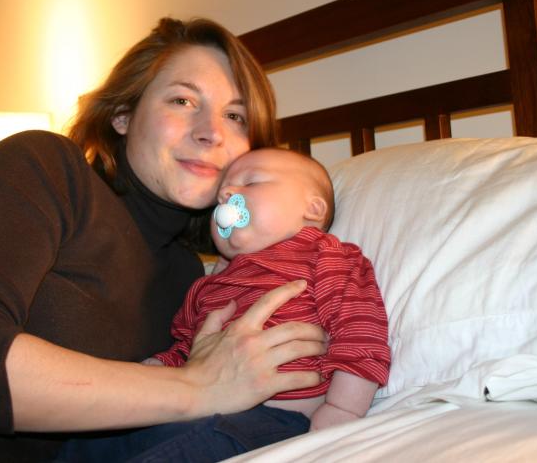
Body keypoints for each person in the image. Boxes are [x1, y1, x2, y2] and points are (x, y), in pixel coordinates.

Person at [0, 18, 328, 462]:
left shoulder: (189, 280)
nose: (211, 133)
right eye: (182, 101)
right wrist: (195, 386)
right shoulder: (47, 166)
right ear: (122, 115)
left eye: (235, 117)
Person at [58, 148, 390, 462]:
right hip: (196, 404)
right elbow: (189, 348)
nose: (227, 194)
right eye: (221, 194)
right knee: (95, 441)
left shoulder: (327, 257)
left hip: (275, 418)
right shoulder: (207, 285)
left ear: (313, 209)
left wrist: (343, 409)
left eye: (251, 182)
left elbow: (359, 330)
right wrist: (158, 366)